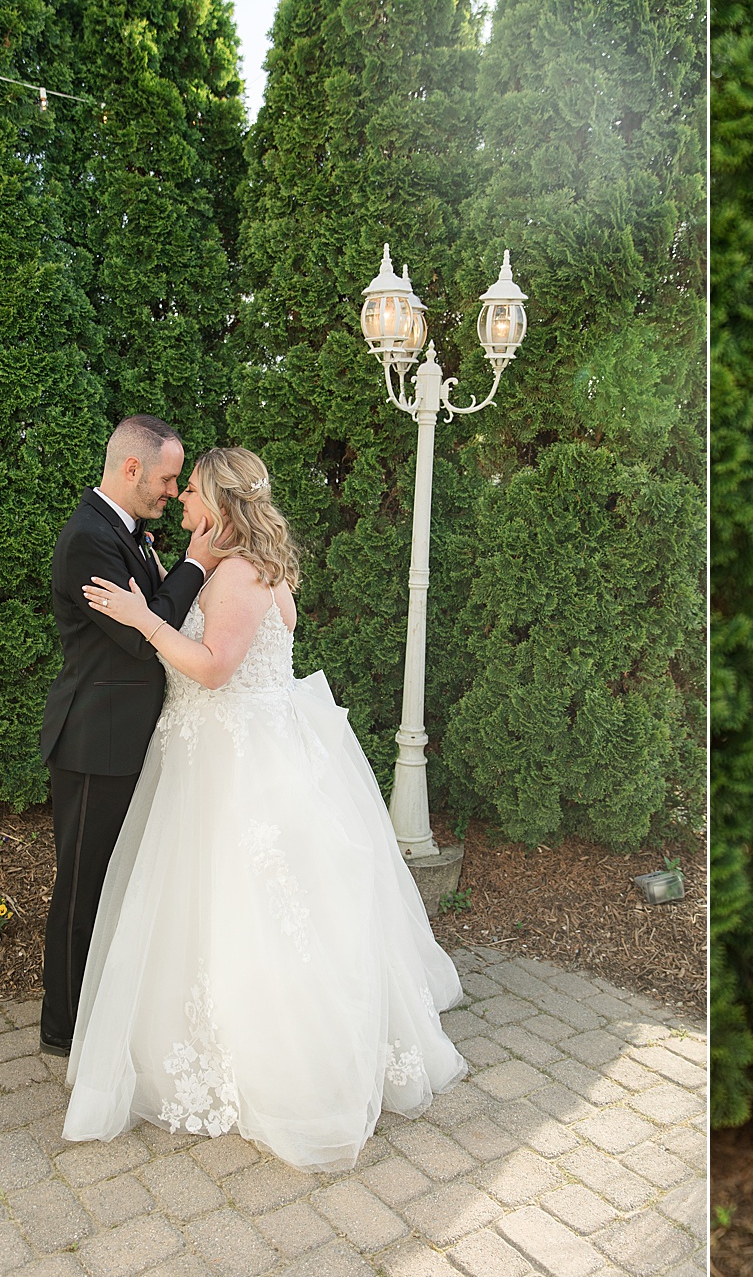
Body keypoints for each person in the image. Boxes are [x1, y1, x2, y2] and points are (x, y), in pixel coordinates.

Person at [60, 446, 467, 1172]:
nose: (181, 503)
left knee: (249, 907)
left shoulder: (244, 574)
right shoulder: (247, 568)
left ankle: (283, 1062)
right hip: (229, 748)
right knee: (223, 905)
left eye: (190, 495)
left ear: (217, 507)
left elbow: (215, 670)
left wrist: (144, 620)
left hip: (232, 756)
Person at [39, 415, 219, 1058]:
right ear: (132, 468)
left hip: (128, 737)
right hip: (95, 740)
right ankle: (62, 1029)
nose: (173, 491)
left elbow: (153, 610)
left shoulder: (130, 534)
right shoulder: (90, 539)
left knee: (118, 882)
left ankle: (100, 1006)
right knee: (84, 885)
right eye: (169, 478)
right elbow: (145, 637)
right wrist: (197, 562)